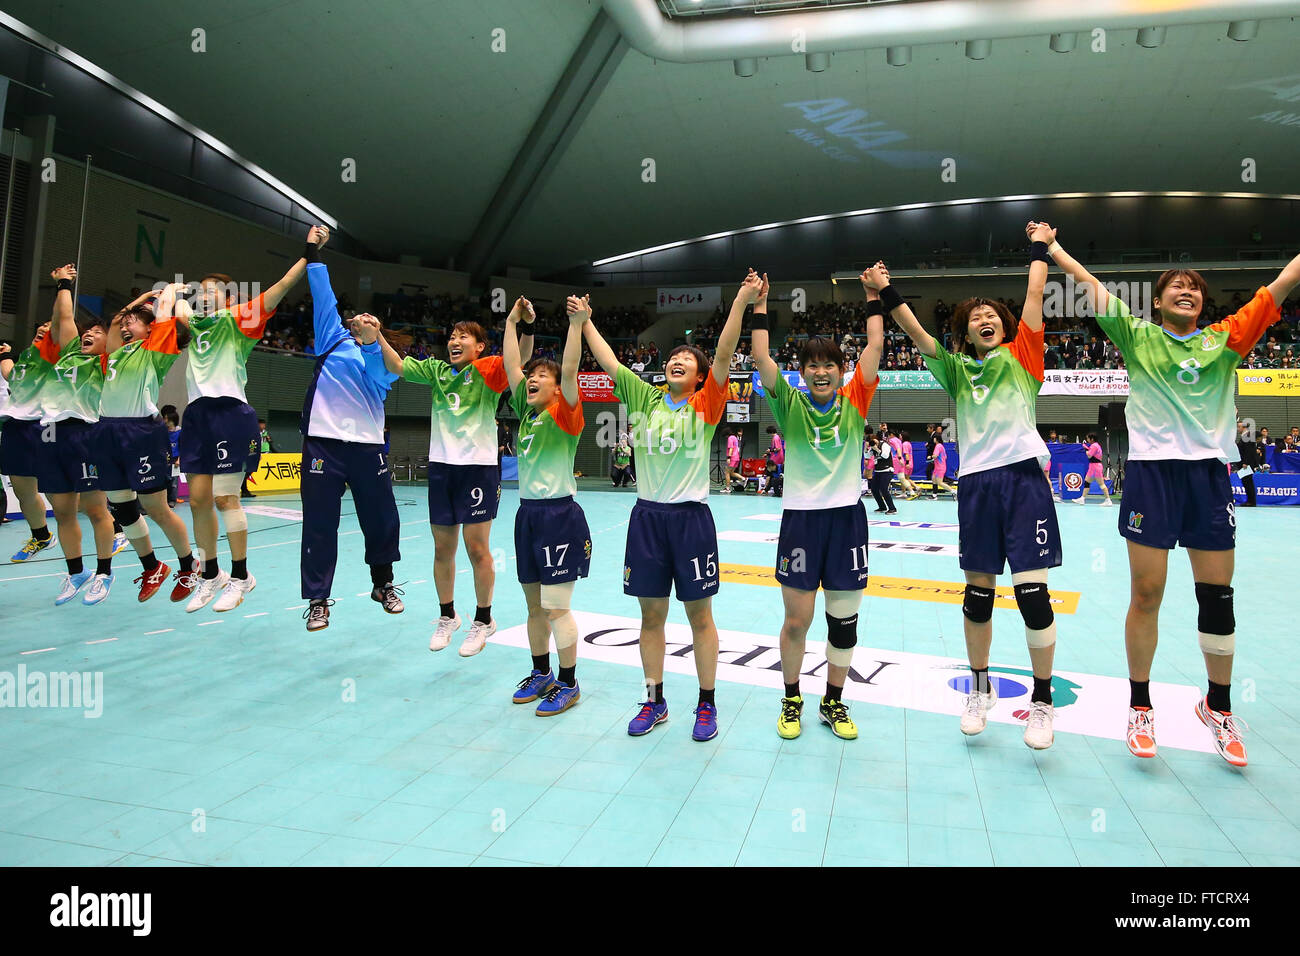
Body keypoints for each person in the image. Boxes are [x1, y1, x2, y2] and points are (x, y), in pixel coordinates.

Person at [1049, 224, 1300, 766]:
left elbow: (1284, 282)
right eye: (1175, 286)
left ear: (1202, 301)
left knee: (1217, 598)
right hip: (1151, 477)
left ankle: (1219, 707)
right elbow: (1088, 283)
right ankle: (1141, 707)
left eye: (1195, 287)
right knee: (1147, 594)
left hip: (1208, 477)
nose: (1186, 291)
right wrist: (1053, 248)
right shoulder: (1138, 337)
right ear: (1158, 301)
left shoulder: (1228, 337)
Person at [885, 223, 1062, 748]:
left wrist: (1039, 246)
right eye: (974, 318)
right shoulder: (958, 371)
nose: (984, 319)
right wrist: (885, 290)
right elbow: (917, 334)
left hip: (1024, 480)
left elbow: (1034, 292)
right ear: (963, 333)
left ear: (1003, 327)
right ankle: (979, 690)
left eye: (991, 315)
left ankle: (1043, 702)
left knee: (1032, 595)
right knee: (978, 597)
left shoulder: (1024, 356)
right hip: (978, 487)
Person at [582, 274, 750, 742]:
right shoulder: (644, 398)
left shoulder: (706, 403)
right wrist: (586, 320)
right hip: (647, 520)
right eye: (673, 357)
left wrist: (738, 300)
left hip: (691, 520)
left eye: (687, 360)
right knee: (651, 618)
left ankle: (706, 704)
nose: (679, 360)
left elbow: (722, 352)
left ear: (699, 376)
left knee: (700, 618)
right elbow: (610, 361)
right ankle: (654, 700)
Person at [751, 266, 883, 740]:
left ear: (841, 372)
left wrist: (872, 295)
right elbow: (761, 355)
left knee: (843, 624)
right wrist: (761, 303)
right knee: (797, 621)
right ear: (802, 371)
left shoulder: (855, 401)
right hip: (802, 523)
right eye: (813, 364)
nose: (822, 371)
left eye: (830, 364)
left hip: (847, 520)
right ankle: (791, 699)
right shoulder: (789, 404)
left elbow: (875, 348)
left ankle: (833, 702)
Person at [385, 298, 534, 656]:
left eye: (463, 336)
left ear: (479, 346)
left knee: (477, 547)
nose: (455, 340)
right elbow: (400, 366)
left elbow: (520, 359)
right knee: (442, 548)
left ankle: (483, 619)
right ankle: (447, 616)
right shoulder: (437, 371)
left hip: (478, 469)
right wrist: (378, 336)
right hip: (442, 469)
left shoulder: (487, 370)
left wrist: (523, 324)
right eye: (452, 335)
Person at [180, 230, 319, 612]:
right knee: (197, 502)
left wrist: (308, 252)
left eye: (212, 291)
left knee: (226, 498)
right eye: (200, 291)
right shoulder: (193, 323)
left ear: (227, 298)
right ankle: (210, 576)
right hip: (196, 415)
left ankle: (241, 576)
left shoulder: (239, 318)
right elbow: (176, 307)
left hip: (229, 413)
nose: (204, 295)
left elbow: (281, 286)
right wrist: (170, 297)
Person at [298, 237, 404, 631]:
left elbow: (383, 373)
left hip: (368, 449)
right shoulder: (332, 338)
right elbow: (321, 292)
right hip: (324, 443)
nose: (362, 317)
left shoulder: (383, 359)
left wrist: (376, 341)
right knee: (320, 522)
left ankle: (383, 584)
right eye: (359, 316)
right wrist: (313, 250)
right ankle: (318, 599)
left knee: (380, 519)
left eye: (372, 319)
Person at [503, 294, 592, 717]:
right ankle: (541, 672)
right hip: (527, 516)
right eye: (532, 375)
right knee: (534, 605)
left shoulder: (564, 413)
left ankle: (569, 682)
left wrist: (576, 324)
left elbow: (571, 369)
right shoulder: (527, 414)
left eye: (542, 376)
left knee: (557, 607)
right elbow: (509, 366)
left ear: (558, 389)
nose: (533, 379)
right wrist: (512, 322)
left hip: (559, 516)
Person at [96, 285, 201, 603]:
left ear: (151, 327)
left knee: (156, 507)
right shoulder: (115, 354)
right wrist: (137, 304)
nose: (126, 326)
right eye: (128, 322)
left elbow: (163, 314)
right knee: (122, 509)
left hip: (140, 432)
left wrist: (166, 292)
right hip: (107, 432)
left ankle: (189, 566)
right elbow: (115, 321)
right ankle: (153, 566)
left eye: (134, 322)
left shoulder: (156, 348)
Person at [35, 264, 118, 606]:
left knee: (97, 510)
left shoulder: (104, 364)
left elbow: (115, 332)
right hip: (51, 435)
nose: (89, 335)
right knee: (63, 512)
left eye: (97, 334)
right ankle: (76, 572)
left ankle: (103, 572)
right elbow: (65, 318)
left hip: (85, 435)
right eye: (88, 332)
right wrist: (65, 284)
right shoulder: (67, 353)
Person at [1, 320, 58, 563]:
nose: (43, 329)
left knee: (58, 490)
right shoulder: (25, 356)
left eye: (50, 328)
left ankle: (116, 527)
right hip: (16, 426)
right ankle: (41, 535)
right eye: (40, 328)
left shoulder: (59, 358)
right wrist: (6, 355)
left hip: (44, 426)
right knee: (24, 491)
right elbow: (10, 377)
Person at [1077, 432, 1112, 506]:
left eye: (1088, 438)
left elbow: (1089, 455)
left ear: (1092, 439)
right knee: (1087, 482)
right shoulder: (1095, 445)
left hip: (1096, 467)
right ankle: (1082, 499)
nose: (1087, 440)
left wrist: (1085, 449)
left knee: (1101, 484)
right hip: (1092, 466)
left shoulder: (1094, 446)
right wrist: (1086, 448)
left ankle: (1108, 500)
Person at [869, 431, 897, 514]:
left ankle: (892, 509)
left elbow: (885, 456)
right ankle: (882, 507)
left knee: (883, 489)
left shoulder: (884, 445)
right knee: (874, 489)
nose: (874, 442)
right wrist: (867, 448)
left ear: (878, 440)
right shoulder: (872, 447)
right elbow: (867, 456)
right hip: (878, 471)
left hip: (887, 470)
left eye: (874, 441)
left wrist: (877, 449)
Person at [1235, 421, 1259, 508]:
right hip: (1244, 463)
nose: (1238, 429)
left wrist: (1246, 462)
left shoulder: (1248, 436)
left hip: (1246, 464)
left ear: (1244, 427)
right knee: (1246, 482)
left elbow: (1249, 451)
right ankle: (1250, 500)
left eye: (1239, 427)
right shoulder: (1245, 436)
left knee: (1248, 482)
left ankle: (1251, 501)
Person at [929, 428, 956, 498]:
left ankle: (954, 491)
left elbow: (935, 456)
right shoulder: (942, 446)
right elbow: (945, 457)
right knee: (933, 479)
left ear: (936, 439)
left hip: (940, 468)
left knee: (939, 482)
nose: (933, 439)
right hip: (939, 467)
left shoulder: (938, 446)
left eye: (934, 438)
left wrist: (931, 457)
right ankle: (934, 495)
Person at [723, 428, 741, 493]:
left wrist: (729, 457)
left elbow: (731, 448)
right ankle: (743, 478)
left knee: (727, 472)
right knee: (731, 473)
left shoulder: (730, 438)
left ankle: (727, 488)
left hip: (732, 457)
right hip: (737, 457)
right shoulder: (735, 438)